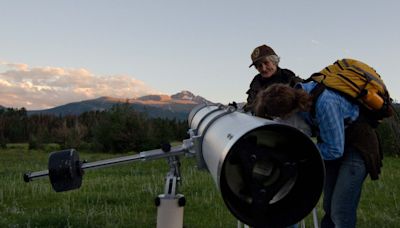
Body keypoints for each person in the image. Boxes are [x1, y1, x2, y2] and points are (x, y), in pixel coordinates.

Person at [253, 82, 383, 228]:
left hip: (358, 145)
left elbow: (334, 150)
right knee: (328, 207)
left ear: (288, 110)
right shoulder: (295, 98)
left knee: (340, 210)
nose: (279, 118)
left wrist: (300, 152)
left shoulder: (325, 103)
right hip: (335, 142)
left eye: (279, 115)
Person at [243, 44, 302, 113]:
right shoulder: (256, 81)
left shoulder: (289, 78)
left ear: (274, 62)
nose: (263, 69)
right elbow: (250, 105)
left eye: (266, 63)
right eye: (259, 65)